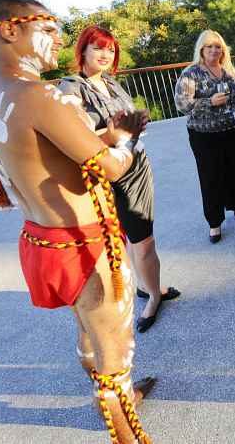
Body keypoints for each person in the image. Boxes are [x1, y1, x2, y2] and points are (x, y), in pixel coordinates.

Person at [0, 0, 155, 443]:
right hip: (85, 243)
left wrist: (101, 136)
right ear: (10, 31)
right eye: (47, 29)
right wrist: (123, 140)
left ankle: (109, 402)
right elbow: (109, 167)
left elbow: (49, 153)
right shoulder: (38, 93)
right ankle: (123, 426)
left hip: (43, 237)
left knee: (89, 335)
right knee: (116, 354)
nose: (58, 38)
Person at [60, 26, 180, 334]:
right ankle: (153, 295)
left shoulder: (111, 83)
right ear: (83, 50)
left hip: (135, 163)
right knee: (132, 240)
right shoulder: (71, 88)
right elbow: (75, 139)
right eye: (98, 48)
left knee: (140, 238)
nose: (105, 55)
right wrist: (112, 134)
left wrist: (136, 122)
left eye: (111, 50)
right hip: (105, 171)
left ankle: (150, 289)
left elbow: (122, 127)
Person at [174, 30, 235, 244]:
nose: (215, 50)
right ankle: (215, 223)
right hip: (205, 135)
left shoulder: (227, 69)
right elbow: (182, 105)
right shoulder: (192, 73)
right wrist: (209, 102)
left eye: (218, 47)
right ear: (202, 49)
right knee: (211, 177)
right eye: (210, 47)